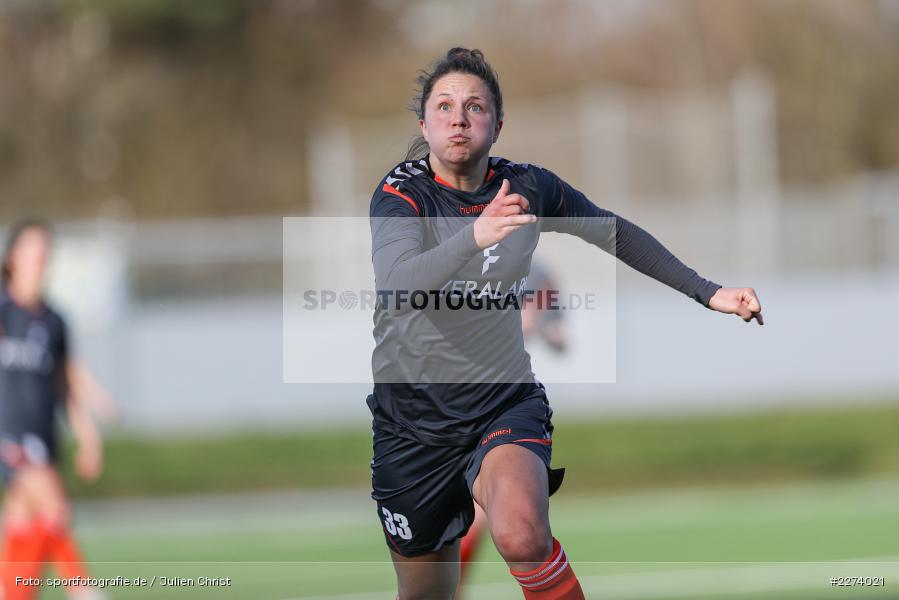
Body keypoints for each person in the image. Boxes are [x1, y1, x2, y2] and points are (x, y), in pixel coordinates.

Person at [367, 48, 762, 600]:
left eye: (474, 106)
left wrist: (708, 291)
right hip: (411, 426)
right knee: (428, 594)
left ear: (497, 124)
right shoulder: (399, 195)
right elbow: (399, 282)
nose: (459, 118)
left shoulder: (525, 187)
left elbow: (611, 230)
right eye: (444, 106)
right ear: (424, 123)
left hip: (498, 404)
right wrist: (474, 237)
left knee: (522, 533)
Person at [0, 219, 116, 600]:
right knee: (55, 508)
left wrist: (87, 435)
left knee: (24, 521)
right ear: (13, 257)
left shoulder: (54, 321)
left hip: (43, 435)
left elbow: (64, 383)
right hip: (8, 434)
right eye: (31, 248)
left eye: (44, 250)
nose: (39, 257)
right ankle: (83, 590)